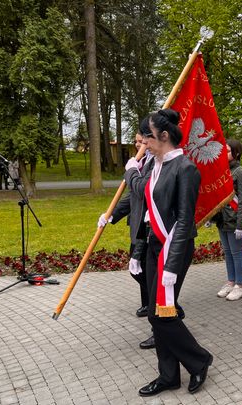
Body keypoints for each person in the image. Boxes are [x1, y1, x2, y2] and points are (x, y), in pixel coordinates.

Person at [125, 109, 213, 396]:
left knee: (160, 314)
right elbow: (145, 199)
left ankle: (199, 360)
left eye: (147, 138)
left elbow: (185, 220)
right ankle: (169, 375)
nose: (143, 145)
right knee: (158, 313)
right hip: (154, 245)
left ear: (164, 136)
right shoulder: (156, 165)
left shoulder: (185, 168)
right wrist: (132, 171)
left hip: (174, 247)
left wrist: (172, 266)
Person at [98, 118, 155, 349]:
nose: (139, 145)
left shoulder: (154, 163)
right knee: (141, 273)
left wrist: (132, 172)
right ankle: (154, 308)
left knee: (150, 277)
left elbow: (143, 191)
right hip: (138, 228)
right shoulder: (143, 162)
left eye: (142, 141)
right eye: (137, 142)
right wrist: (111, 214)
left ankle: (162, 318)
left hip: (150, 230)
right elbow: (132, 196)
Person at [214, 139, 242, 301]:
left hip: (234, 219)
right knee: (228, 252)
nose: (224, 154)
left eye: (228, 151)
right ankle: (231, 282)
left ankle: (240, 286)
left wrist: (241, 225)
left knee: (236, 253)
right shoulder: (223, 171)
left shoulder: (240, 172)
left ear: (236, 153)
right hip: (223, 219)